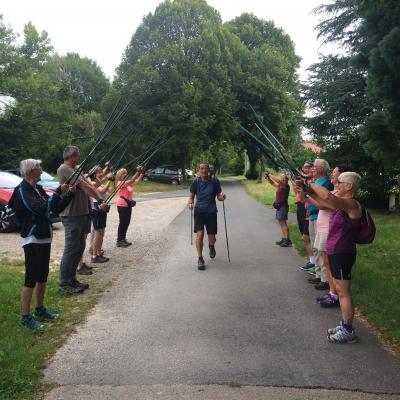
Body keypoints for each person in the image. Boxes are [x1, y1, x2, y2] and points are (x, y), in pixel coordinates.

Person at [296, 171, 362, 343]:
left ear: (349, 186)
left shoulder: (351, 203)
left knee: (344, 292)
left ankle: (348, 330)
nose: (336, 184)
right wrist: (307, 192)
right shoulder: (342, 203)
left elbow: (328, 198)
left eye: (339, 182)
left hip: (343, 252)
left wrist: (309, 184)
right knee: (340, 291)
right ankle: (344, 324)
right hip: (336, 250)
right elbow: (323, 202)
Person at [9, 159, 75, 331]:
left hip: (44, 236)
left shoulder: (36, 189)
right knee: (31, 276)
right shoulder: (22, 190)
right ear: (31, 171)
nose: (41, 170)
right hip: (32, 237)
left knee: (43, 274)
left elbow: (55, 209)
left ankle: (39, 309)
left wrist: (68, 194)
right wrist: (56, 194)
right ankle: (25, 317)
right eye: (39, 168)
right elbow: (40, 209)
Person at [57, 145, 103, 294]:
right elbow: (84, 186)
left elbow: (90, 184)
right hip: (71, 215)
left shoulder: (75, 169)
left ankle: (72, 279)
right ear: (72, 156)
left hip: (82, 213)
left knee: (79, 247)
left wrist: (98, 198)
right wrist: (100, 199)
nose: (79, 158)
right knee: (71, 249)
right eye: (78, 155)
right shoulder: (64, 169)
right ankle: (64, 283)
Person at [188, 161, 226, 270]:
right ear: (199, 170)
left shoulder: (214, 182)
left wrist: (222, 197)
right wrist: (190, 202)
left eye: (206, 168)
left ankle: (211, 245)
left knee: (212, 237)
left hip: (211, 212)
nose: (204, 170)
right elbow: (191, 196)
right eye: (202, 169)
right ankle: (200, 258)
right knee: (199, 234)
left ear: (208, 170)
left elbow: (219, 197)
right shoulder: (195, 182)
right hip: (199, 212)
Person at [306, 159, 333, 288]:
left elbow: (324, 200)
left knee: (322, 249)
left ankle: (325, 279)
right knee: (315, 247)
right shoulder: (316, 181)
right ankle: (318, 275)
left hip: (320, 217)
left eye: (315, 166)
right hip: (312, 216)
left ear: (322, 168)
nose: (312, 168)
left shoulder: (327, 183)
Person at [88, 165, 114, 263]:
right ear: (94, 173)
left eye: (101, 172)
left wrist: (112, 180)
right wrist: (108, 178)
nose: (101, 173)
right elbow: (101, 190)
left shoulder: (100, 183)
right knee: (98, 232)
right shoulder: (92, 182)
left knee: (102, 232)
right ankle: (94, 255)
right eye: (99, 172)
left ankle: (98, 252)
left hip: (103, 208)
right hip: (96, 208)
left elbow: (111, 190)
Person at [115, 165, 144, 247]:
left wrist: (141, 172)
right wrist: (137, 172)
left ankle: (123, 238)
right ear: (119, 175)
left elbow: (137, 181)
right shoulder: (120, 183)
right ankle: (119, 240)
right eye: (123, 173)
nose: (125, 174)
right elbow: (132, 180)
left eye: (126, 173)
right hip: (122, 205)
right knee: (122, 223)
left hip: (127, 205)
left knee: (126, 222)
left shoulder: (128, 183)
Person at [295, 162, 315, 270]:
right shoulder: (306, 180)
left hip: (309, 210)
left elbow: (308, 195)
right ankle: (313, 261)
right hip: (305, 208)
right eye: (304, 167)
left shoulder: (312, 181)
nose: (305, 169)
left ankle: (314, 262)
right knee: (305, 236)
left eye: (307, 167)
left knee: (307, 237)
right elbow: (298, 194)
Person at [265, 172, 291, 247]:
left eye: (284, 179)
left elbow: (277, 181)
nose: (283, 179)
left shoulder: (285, 186)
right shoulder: (280, 186)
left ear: (287, 180)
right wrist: (269, 178)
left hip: (283, 206)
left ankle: (287, 240)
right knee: (281, 223)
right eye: (282, 178)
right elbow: (273, 183)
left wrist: (269, 174)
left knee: (283, 223)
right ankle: (284, 238)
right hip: (279, 206)